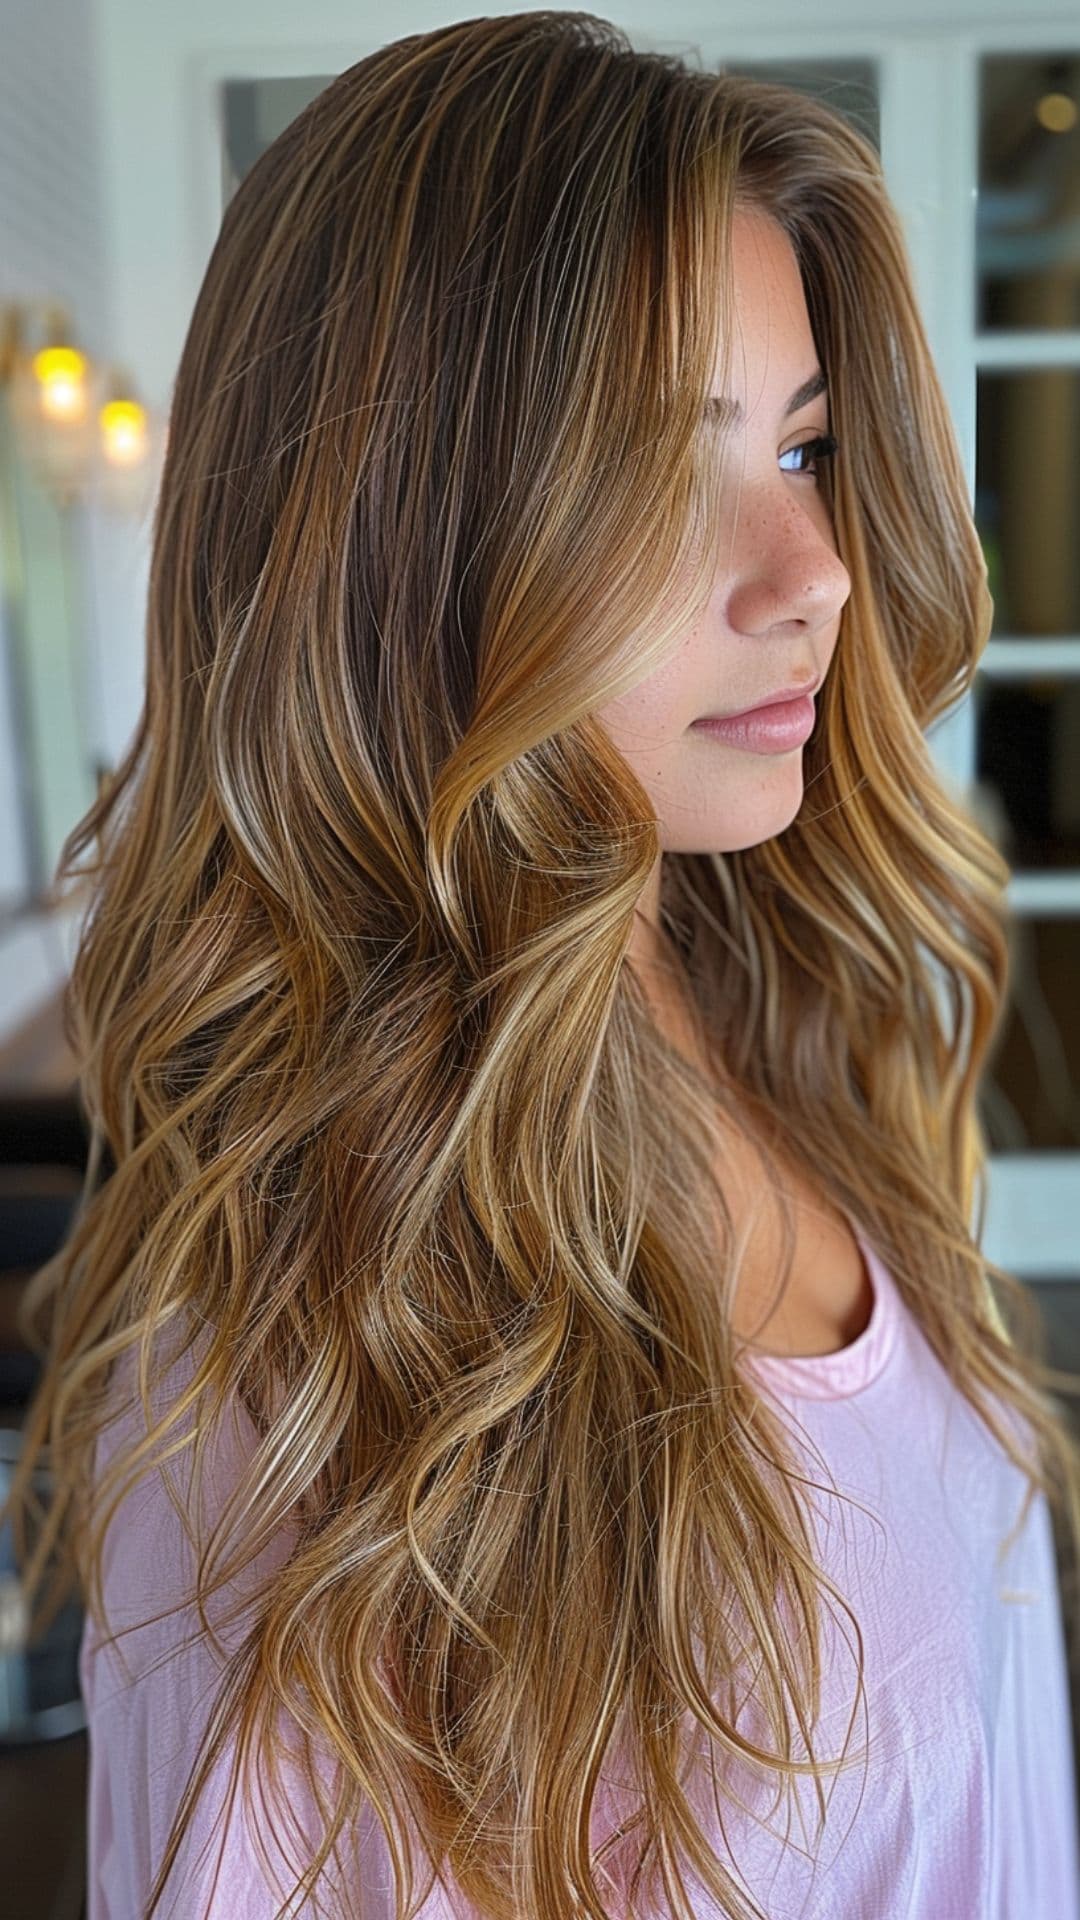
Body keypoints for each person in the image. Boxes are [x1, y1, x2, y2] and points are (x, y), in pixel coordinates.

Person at [6, 12, 1080, 1918]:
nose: (816, 567)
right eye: (668, 473)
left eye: (810, 444)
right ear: (396, 552)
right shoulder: (312, 1418)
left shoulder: (766, 1009)